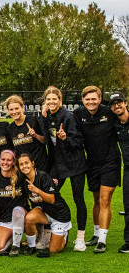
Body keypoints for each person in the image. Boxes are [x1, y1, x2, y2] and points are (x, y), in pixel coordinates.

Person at [39, 86, 88, 251]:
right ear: (45, 102)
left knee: (78, 199)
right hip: (58, 165)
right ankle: (51, 232)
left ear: (60, 100)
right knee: (48, 194)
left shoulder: (68, 116)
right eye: (48, 99)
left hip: (75, 164)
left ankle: (80, 238)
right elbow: (47, 141)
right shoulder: (48, 116)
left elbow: (78, 143)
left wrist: (65, 138)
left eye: (55, 99)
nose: (51, 102)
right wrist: (43, 118)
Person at [74, 86, 121, 253]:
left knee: (105, 199)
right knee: (95, 200)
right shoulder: (79, 114)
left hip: (110, 163)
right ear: (83, 101)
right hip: (91, 164)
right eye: (87, 99)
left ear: (100, 99)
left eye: (94, 99)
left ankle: (102, 239)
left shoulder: (109, 113)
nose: (90, 102)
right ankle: (95, 234)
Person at [18, 154, 72, 256]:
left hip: (60, 215)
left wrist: (37, 190)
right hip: (45, 212)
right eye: (21, 164)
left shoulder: (43, 176)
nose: (24, 166)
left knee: (54, 250)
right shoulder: (24, 181)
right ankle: (32, 246)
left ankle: (64, 234)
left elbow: (51, 200)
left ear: (32, 164)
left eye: (26, 163)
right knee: (29, 218)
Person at [0, 150, 28, 257]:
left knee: (17, 211)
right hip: (6, 219)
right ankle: (13, 239)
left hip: (23, 217)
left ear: (13, 162)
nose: (5, 162)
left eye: (9, 160)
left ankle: (18, 245)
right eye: (3, 159)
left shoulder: (21, 176)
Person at [5, 95, 48, 172]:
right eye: (11, 109)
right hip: (23, 169)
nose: (14, 112)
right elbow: (12, 150)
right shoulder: (9, 128)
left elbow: (46, 141)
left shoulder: (34, 121)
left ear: (22, 107)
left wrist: (35, 135)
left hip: (40, 167)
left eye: (17, 108)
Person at [109, 91, 129, 253]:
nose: (117, 105)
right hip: (128, 169)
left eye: (119, 102)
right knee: (128, 206)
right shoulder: (114, 125)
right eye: (114, 103)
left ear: (125, 103)